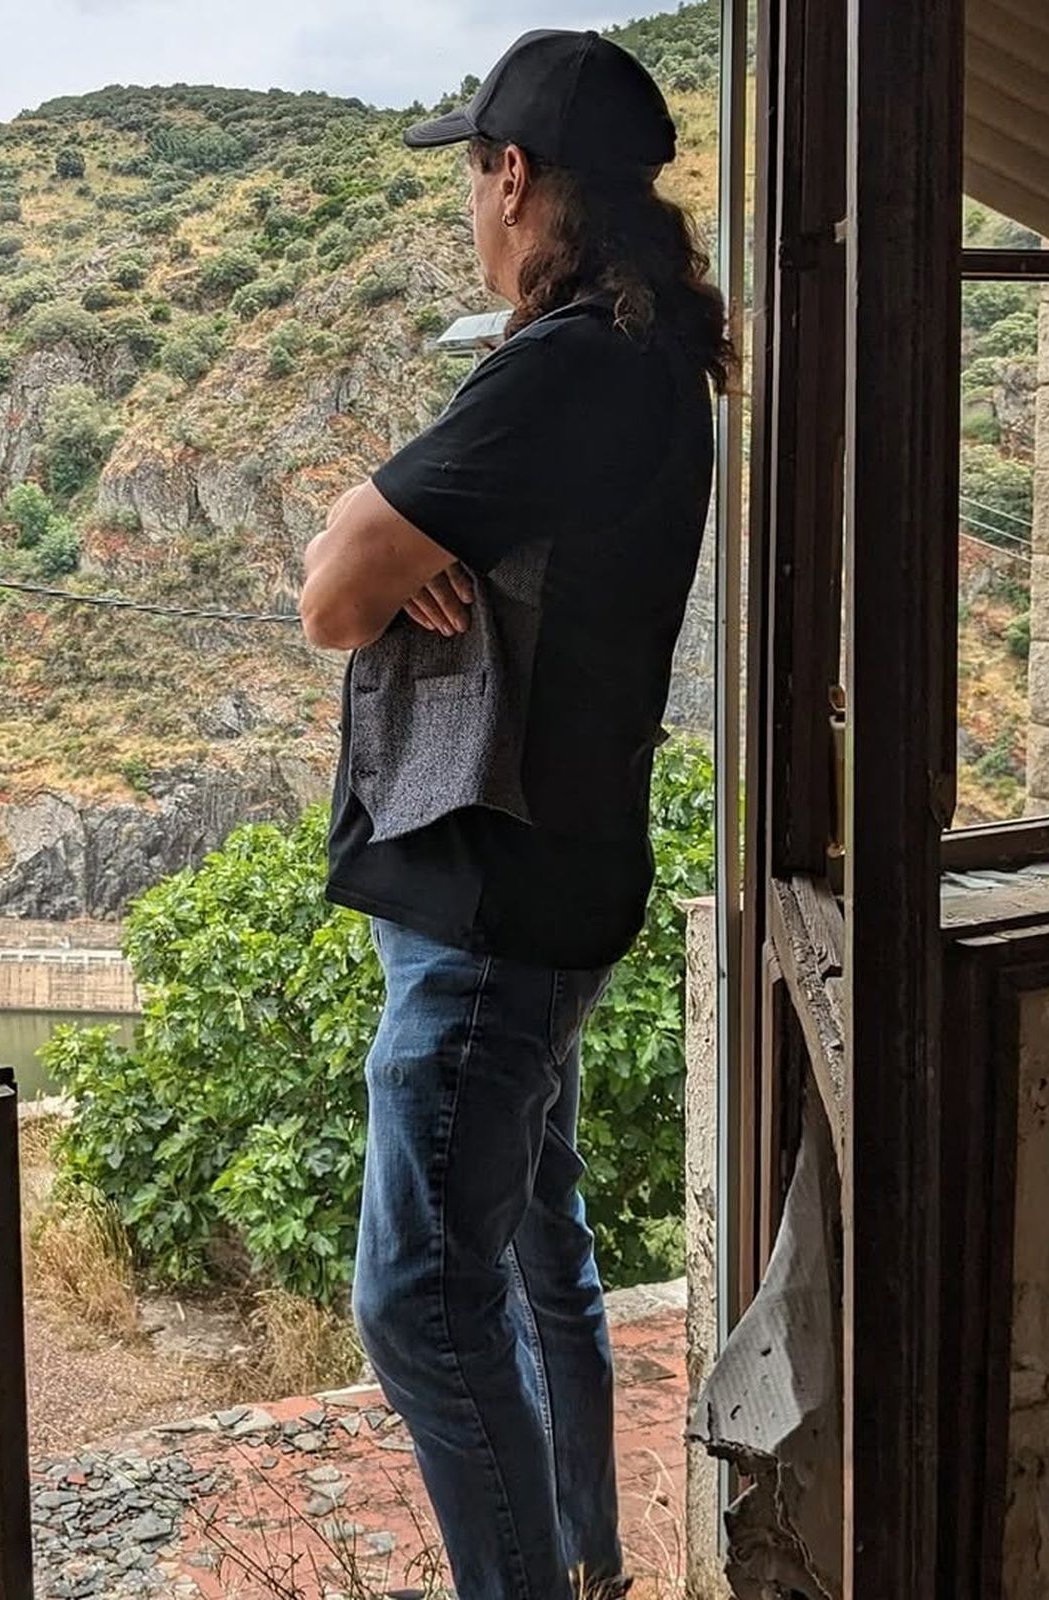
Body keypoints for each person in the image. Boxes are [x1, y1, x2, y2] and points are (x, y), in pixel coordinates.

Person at [299, 27, 729, 1600]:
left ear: (517, 178)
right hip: (565, 885)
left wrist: (391, 536)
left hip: (485, 919)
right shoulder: (654, 361)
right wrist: (418, 539)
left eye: (476, 176)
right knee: (546, 1259)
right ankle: (595, 1565)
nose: (469, 207)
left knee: (419, 1296)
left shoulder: (560, 374)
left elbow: (337, 593)